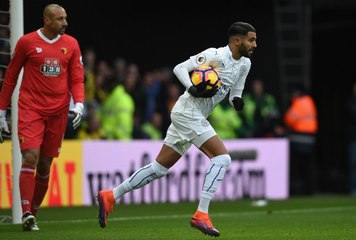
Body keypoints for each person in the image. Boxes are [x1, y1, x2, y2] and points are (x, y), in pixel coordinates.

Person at [97, 21, 257, 237]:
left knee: (159, 169)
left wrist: (237, 101)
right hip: (187, 111)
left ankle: (110, 195)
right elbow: (179, 68)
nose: (255, 44)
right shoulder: (215, 55)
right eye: (251, 39)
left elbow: (235, 92)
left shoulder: (245, 64)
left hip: (193, 116)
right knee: (222, 158)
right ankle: (202, 214)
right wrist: (192, 88)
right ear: (237, 40)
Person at [0, 4, 84, 231]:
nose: (65, 23)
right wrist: (1, 111)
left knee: (45, 165)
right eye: (60, 19)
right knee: (30, 157)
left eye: (66, 18)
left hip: (58, 112)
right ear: (47, 20)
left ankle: (31, 215)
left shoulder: (72, 44)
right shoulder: (27, 42)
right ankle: (26, 211)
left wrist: (79, 104)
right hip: (31, 109)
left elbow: (77, 78)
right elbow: (10, 77)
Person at [284, 84, 318, 195]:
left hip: (299, 138)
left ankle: (298, 191)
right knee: (308, 166)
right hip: (310, 138)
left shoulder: (300, 102)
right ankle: (310, 190)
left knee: (297, 167)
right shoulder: (310, 101)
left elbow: (289, 119)